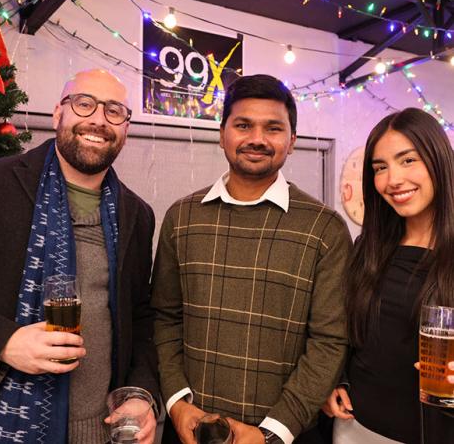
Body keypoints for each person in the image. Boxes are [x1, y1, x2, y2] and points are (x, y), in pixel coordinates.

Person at [151, 74, 352, 444]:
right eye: (243, 125)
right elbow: (165, 317)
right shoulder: (181, 218)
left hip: (285, 436)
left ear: (292, 141)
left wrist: (271, 433)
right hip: (189, 431)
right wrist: (177, 402)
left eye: (273, 128)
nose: (257, 139)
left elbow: (329, 341)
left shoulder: (325, 229)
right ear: (223, 132)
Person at [0, 69, 159, 443]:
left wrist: (142, 394)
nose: (98, 119)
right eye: (84, 104)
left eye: (114, 110)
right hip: (1, 423)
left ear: (126, 128)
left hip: (101, 430)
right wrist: (0, 343)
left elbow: (141, 316)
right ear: (58, 113)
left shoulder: (137, 215)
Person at [322, 107, 454, 444]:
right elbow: (350, 332)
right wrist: (337, 379)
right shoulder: (371, 246)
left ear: (438, 159)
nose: (392, 180)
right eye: (380, 167)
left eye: (408, 160)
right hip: (354, 429)